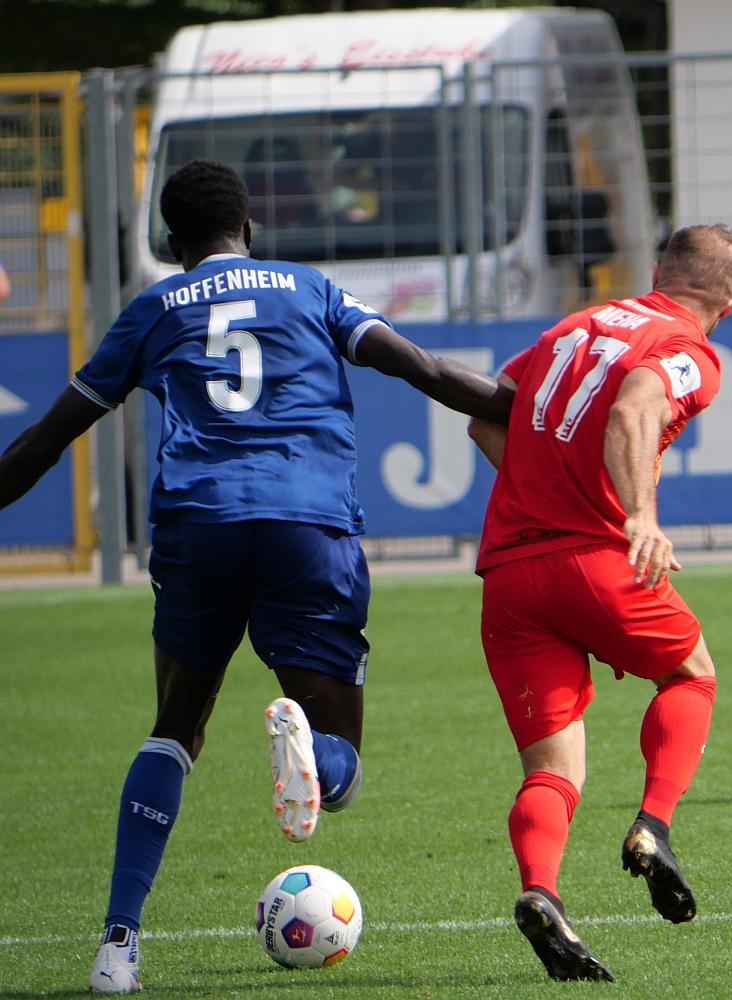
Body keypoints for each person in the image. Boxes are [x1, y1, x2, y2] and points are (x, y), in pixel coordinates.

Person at [0, 158, 509, 995]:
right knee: (340, 763)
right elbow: (417, 365)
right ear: (252, 229)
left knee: (175, 725)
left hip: (199, 525)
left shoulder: (154, 308)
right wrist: (523, 413)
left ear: (170, 241)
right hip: (308, 523)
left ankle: (119, 945)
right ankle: (318, 756)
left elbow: (44, 439)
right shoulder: (310, 289)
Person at [465, 224, 732, 982]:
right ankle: (653, 824)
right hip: (595, 562)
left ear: (658, 269)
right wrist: (639, 516)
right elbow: (634, 408)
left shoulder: (572, 325)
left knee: (552, 770)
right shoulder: (692, 347)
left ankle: (541, 892)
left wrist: (539, 485)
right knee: (692, 674)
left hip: (511, 575)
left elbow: (487, 416)